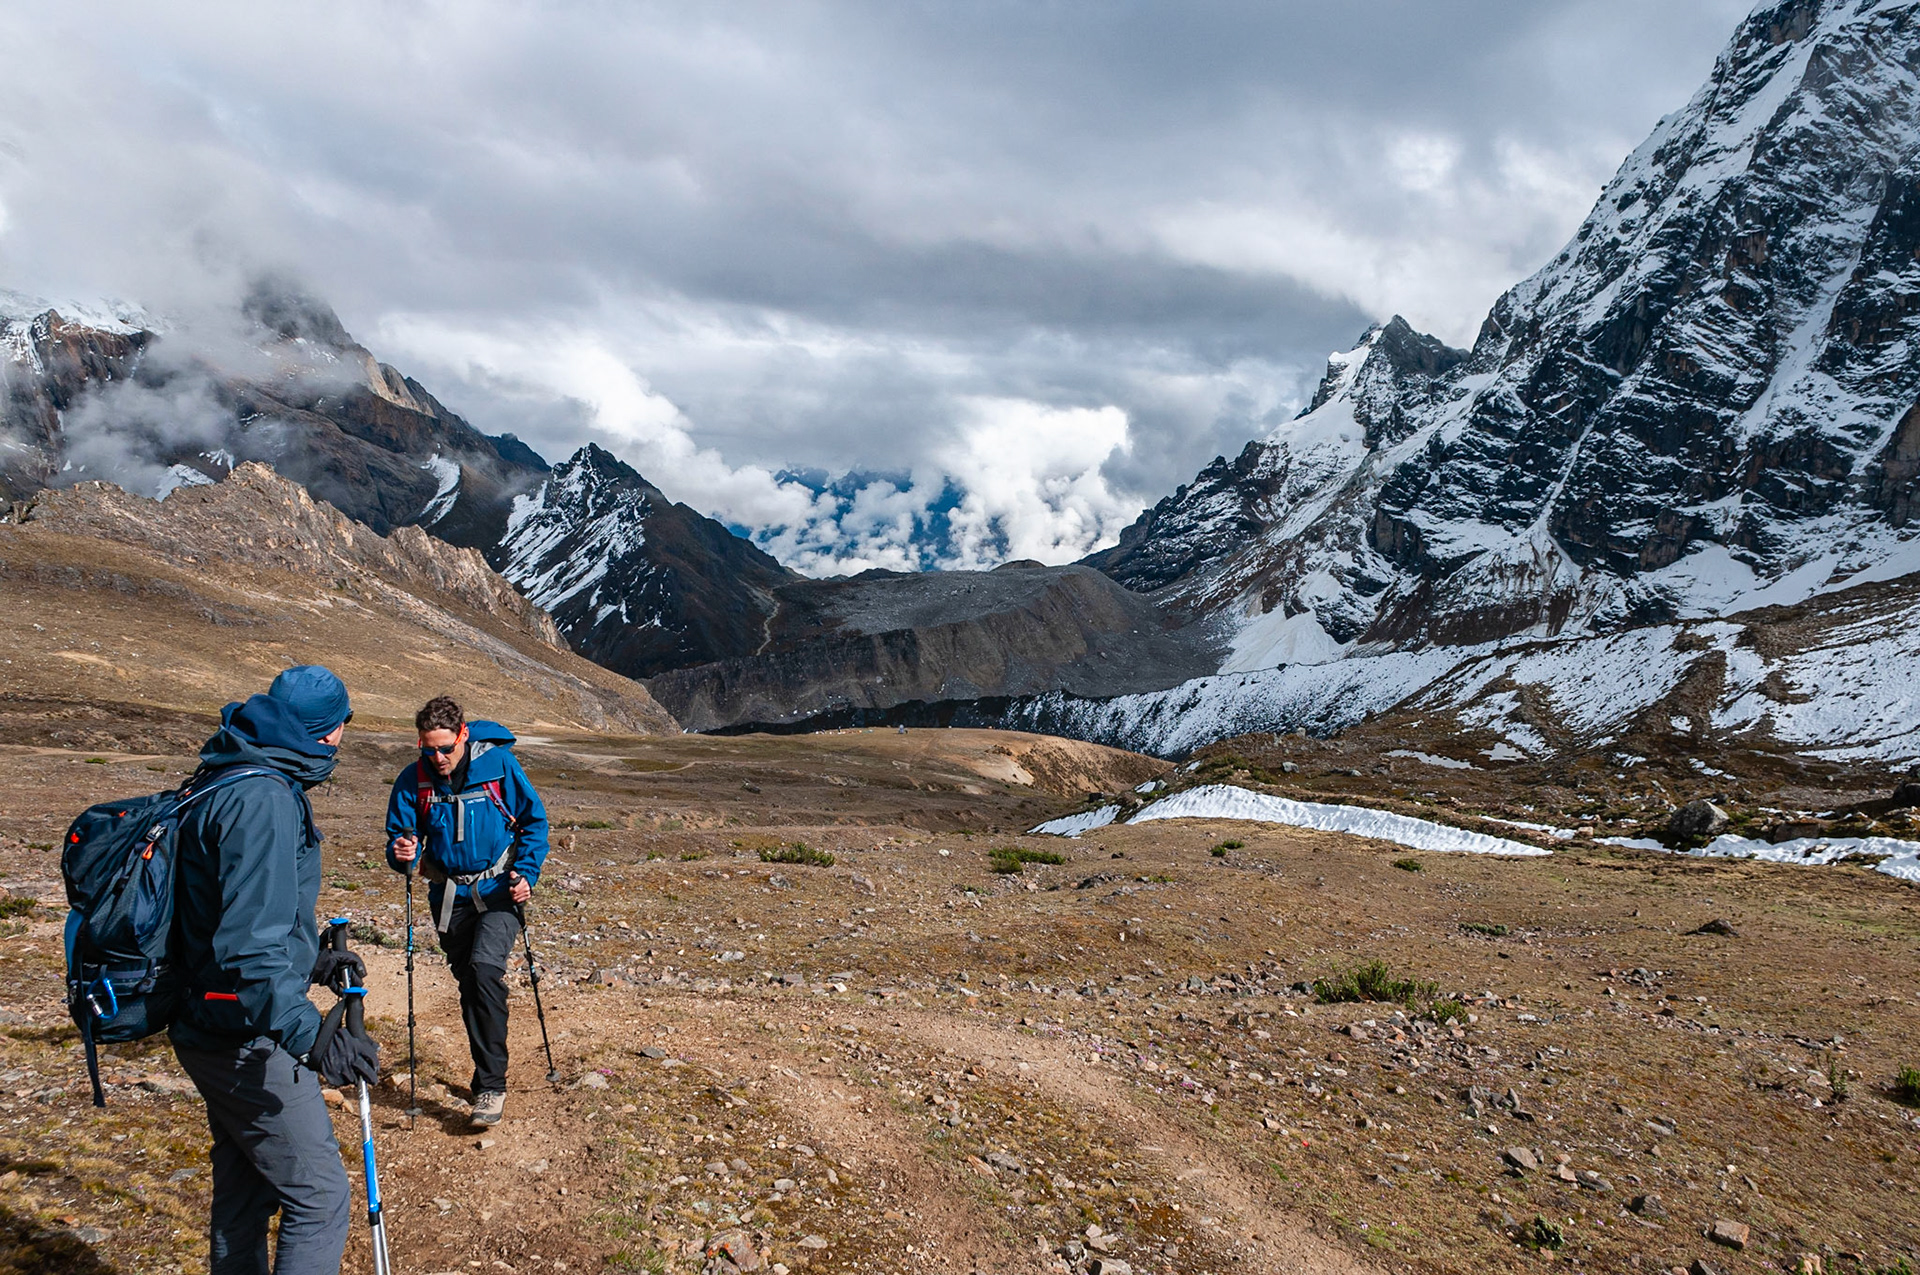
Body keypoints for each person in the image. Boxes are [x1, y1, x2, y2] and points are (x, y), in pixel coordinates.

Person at [170, 665, 379, 1275]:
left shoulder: (232, 772)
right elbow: (250, 952)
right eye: (342, 723)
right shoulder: (264, 798)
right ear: (327, 730)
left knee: (246, 1187)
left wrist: (311, 959)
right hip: (243, 1032)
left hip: (207, 1017)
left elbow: (227, 916)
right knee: (319, 1197)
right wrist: (313, 1037)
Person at [385, 695, 550, 1128]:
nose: (438, 758)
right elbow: (400, 838)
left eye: (445, 748)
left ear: (463, 735)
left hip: (499, 891)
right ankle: (486, 1066)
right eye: (428, 749)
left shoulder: (499, 766)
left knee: (483, 971)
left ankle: (491, 1085)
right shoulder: (414, 780)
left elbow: (534, 823)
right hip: (448, 898)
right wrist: (401, 852)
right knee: (471, 985)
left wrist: (527, 873)